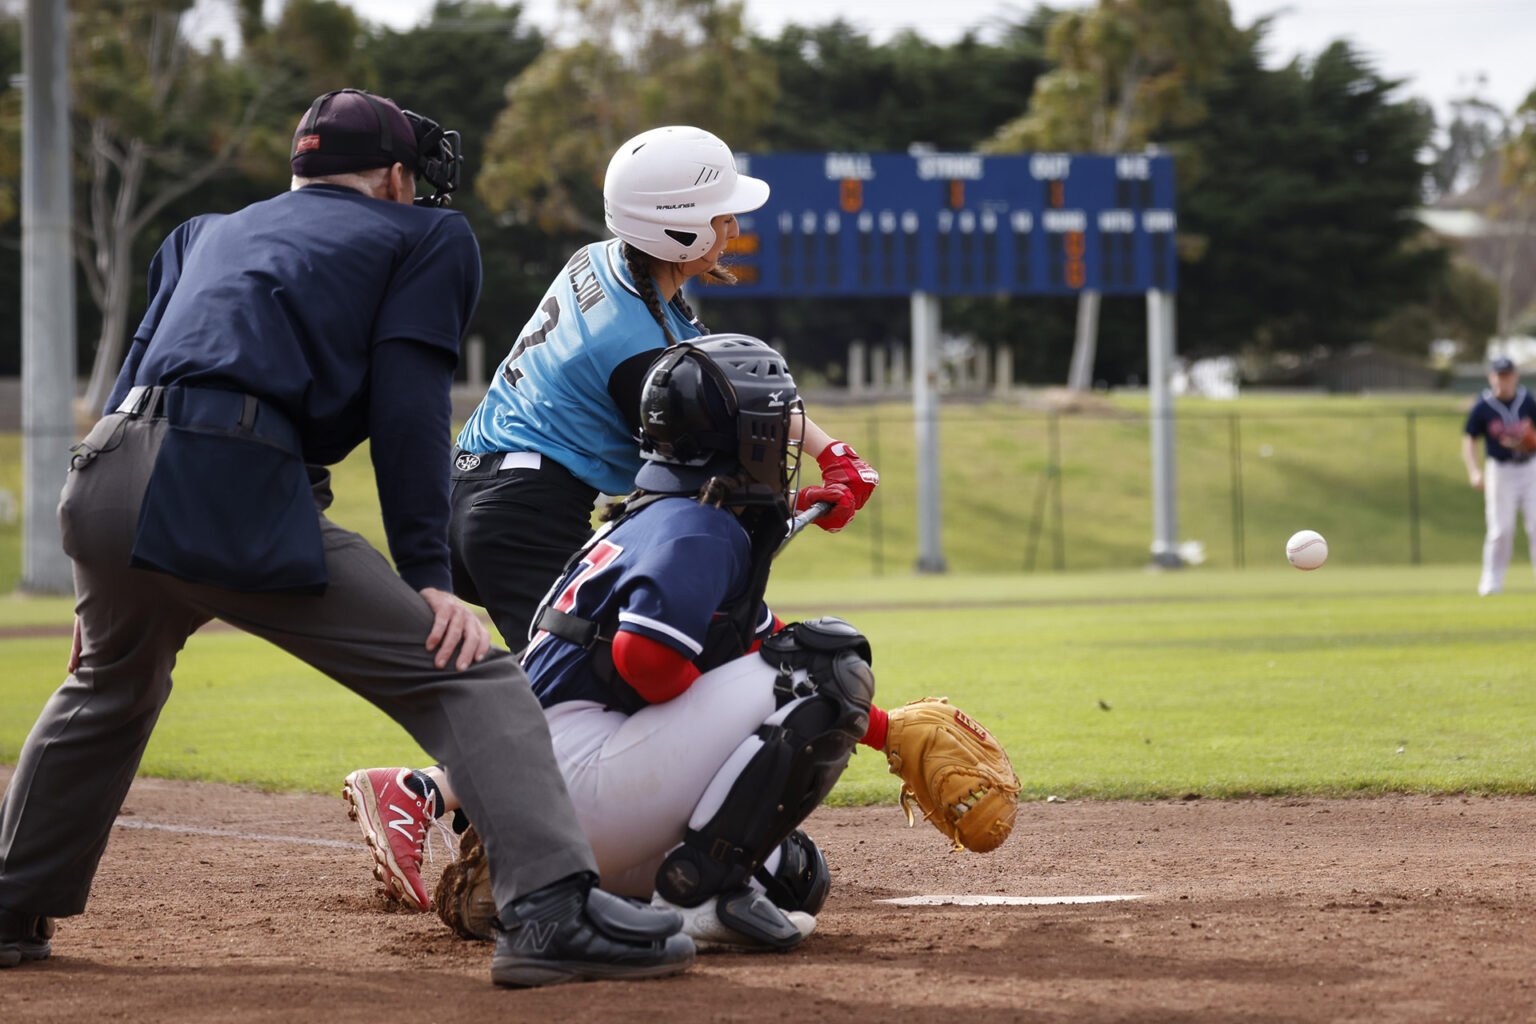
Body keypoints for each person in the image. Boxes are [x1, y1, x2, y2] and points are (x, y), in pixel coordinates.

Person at [0, 88, 692, 987]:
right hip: (220, 483)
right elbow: (409, 410)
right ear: (396, 176)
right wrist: (429, 575)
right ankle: (550, 912)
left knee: (108, 685)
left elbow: (138, 375)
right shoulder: (426, 236)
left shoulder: (201, 231)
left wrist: (104, 562)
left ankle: (13, 903)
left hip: (100, 478)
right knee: (472, 677)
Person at [349, 336, 893, 950]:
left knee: (791, 875)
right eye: (773, 425)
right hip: (574, 778)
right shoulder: (701, 528)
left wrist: (890, 732)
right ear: (741, 438)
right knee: (828, 662)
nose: (786, 441)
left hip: (540, 789)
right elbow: (648, 662)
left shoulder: (654, 513)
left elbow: (750, 653)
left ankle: (530, 886)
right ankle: (701, 898)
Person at [443, 125, 879, 650]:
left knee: (600, 681)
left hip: (478, 492)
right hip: (523, 517)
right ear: (680, 232)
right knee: (610, 683)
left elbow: (723, 378)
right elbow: (688, 494)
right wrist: (786, 503)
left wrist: (828, 449)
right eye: (721, 216)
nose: (734, 226)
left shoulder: (599, 259)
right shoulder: (637, 354)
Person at [1462, 355, 1536, 596]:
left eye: (1507, 375)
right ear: (1491, 377)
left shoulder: (1528, 401)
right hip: (1500, 470)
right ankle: (1491, 583)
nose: (1503, 380)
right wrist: (1474, 471)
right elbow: (1469, 439)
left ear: (1514, 376)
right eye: (1499, 375)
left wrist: (1528, 443)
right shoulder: (1483, 406)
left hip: (1530, 468)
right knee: (1501, 529)